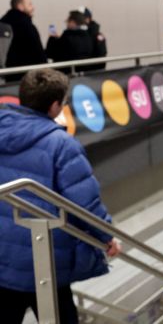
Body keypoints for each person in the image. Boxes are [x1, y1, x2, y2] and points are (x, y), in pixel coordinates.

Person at [0, 69, 121, 323]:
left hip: (4, 257)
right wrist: (106, 235)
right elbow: (83, 202)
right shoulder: (61, 144)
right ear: (55, 106)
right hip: (42, 257)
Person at [0, 0, 46, 82]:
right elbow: (39, 55)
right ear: (20, 6)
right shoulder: (26, 25)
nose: (33, 7)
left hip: (7, 77)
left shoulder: (3, 24)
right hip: (27, 78)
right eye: (30, 4)